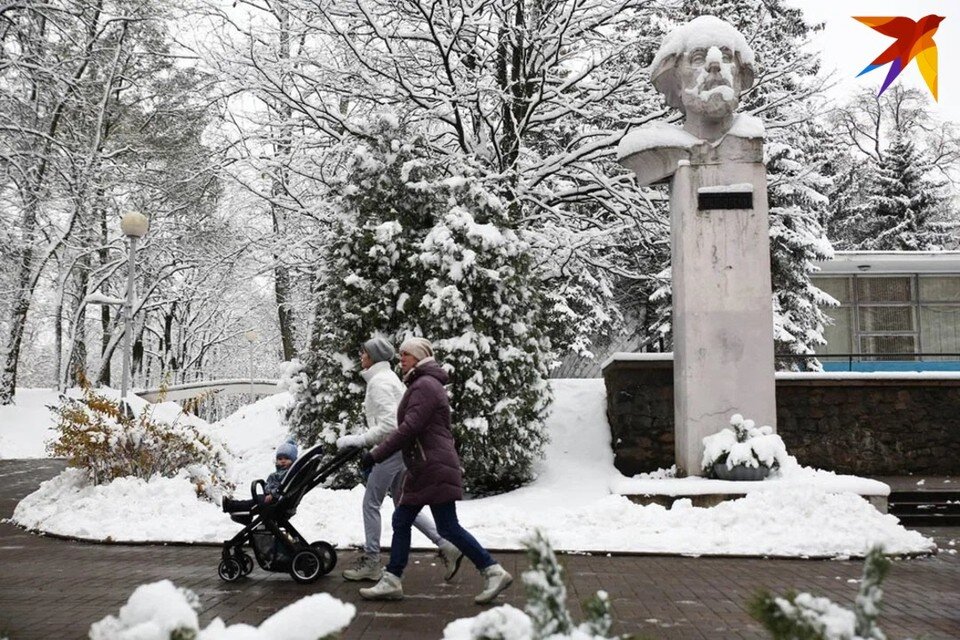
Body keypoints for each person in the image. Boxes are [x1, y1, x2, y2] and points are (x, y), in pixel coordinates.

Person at [357, 337, 513, 605]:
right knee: (423, 522)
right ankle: (394, 580)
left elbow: (408, 428)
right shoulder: (423, 384)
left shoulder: (425, 386)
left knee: (428, 523)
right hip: (428, 464)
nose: (401, 359)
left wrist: (376, 454)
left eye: (406, 354)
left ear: (418, 358)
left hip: (431, 465)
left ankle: (490, 570)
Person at [335, 337, 464, 582]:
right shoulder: (388, 379)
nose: (360, 357)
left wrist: (360, 440)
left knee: (371, 503)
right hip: (400, 449)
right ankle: (445, 544)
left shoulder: (379, 383)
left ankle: (372, 561)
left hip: (390, 449)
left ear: (372, 357)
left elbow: (389, 425)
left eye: (363, 353)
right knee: (403, 504)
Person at [222, 440, 298, 512]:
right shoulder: (282, 472)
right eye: (280, 458)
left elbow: (283, 487)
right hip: (276, 499)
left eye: (287, 458)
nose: (283, 461)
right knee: (255, 501)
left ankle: (231, 506)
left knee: (256, 501)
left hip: (276, 501)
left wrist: (273, 495)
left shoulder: (287, 473)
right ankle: (241, 512)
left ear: (293, 460)